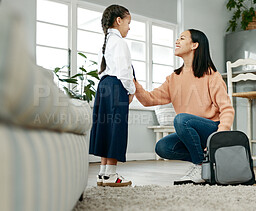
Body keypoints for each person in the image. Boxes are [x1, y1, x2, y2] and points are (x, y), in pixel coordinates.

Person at [134, 29, 235, 185]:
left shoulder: (211, 75)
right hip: (189, 129)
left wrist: (220, 135)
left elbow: (226, 108)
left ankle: (200, 166)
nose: (177, 42)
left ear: (194, 45)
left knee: (181, 119)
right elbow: (148, 100)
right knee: (163, 147)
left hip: (211, 129)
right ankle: (208, 164)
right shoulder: (174, 78)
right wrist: (133, 82)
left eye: (182, 38)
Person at [89, 4, 135, 187]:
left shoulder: (108, 42)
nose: (129, 27)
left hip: (104, 86)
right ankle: (112, 174)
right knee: (116, 128)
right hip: (116, 86)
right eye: (128, 22)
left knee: (105, 127)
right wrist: (131, 90)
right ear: (118, 21)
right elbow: (124, 71)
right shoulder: (120, 43)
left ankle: (103, 173)